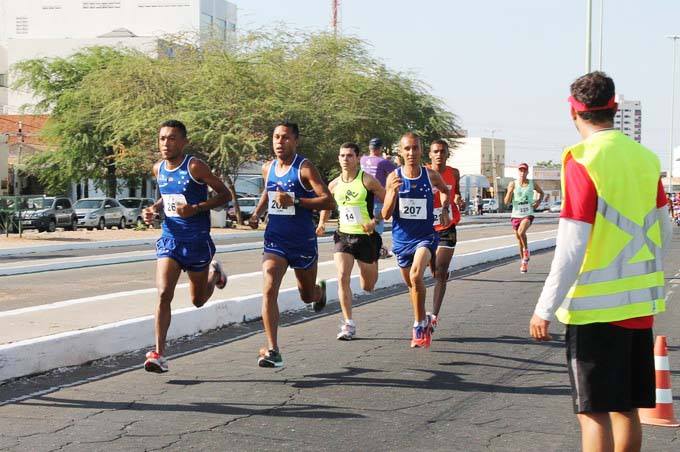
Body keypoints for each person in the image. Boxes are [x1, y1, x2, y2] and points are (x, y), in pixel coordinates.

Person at [529, 72, 672, 452]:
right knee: (627, 408)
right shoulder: (645, 158)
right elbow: (665, 228)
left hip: (593, 311)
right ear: (614, 108)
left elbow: (572, 245)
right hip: (639, 306)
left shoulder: (582, 158)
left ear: (573, 110)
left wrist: (544, 308)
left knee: (593, 413)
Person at [142, 119, 230, 373]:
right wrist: (152, 210)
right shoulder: (158, 169)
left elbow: (225, 195)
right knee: (163, 293)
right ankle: (158, 353)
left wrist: (197, 208)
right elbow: (165, 197)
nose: (165, 144)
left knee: (199, 300)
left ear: (183, 141)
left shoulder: (194, 166)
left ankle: (216, 276)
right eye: (162, 139)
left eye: (171, 138)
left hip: (197, 242)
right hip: (170, 238)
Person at [248, 121, 334, 368]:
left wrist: (296, 201)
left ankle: (319, 292)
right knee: (269, 287)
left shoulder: (304, 168)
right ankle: (273, 349)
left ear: (296, 141)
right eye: (276, 137)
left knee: (306, 296)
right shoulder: (268, 168)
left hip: (303, 241)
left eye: (285, 137)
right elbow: (269, 191)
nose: (279, 142)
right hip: (275, 240)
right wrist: (256, 213)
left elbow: (328, 201)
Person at [382, 132, 450, 348]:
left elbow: (446, 191)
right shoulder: (393, 177)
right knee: (412, 286)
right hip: (402, 241)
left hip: (425, 237)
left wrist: (444, 208)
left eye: (415, 148)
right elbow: (385, 214)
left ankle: (419, 325)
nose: (411, 153)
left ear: (421, 150)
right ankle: (425, 318)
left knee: (416, 275)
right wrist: (392, 193)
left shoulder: (430, 175)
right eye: (407, 149)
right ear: (401, 152)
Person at [316, 142, 385, 340]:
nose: (345, 159)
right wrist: (322, 222)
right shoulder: (334, 184)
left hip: (366, 238)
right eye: (342, 155)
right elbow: (327, 204)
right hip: (343, 235)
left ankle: (377, 253)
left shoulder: (367, 180)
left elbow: (389, 200)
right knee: (342, 275)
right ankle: (348, 324)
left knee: (368, 286)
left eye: (349, 156)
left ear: (357, 158)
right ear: (338, 158)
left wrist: (375, 221)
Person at [426, 139, 462, 331]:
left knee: (440, 272)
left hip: (447, 226)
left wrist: (456, 201)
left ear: (447, 154)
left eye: (442, 151)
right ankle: (440, 272)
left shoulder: (453, 173)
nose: (439, 154)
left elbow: (456, 193)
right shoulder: (423, 173)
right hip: (426, 228)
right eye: (435, 151)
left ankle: (433, 316)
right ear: (430, 155)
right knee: (433, 270)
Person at [504, 163, 544, 273]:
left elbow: (542, 193)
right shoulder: (513, 183)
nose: (522, 172)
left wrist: (538, 203)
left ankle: (526, 251)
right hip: (515, 214)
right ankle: (524, 262)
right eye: (520, 170)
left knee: (521, 232)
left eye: (524, 171)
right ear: (518, 172)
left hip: (528, 213)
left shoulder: (532, 183)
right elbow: (506, 202)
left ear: (527, 172)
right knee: (519, 239)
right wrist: (510, 191)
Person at [360, 137, 397, 258]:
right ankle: (377, 251)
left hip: (364, 199)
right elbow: (397, 173)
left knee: (366, 226)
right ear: (380, 148)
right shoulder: (383, 162)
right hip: (378, 198)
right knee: (376, 227)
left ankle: (371, 250)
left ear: (370, 147)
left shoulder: (363, 159)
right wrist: (390, 161)